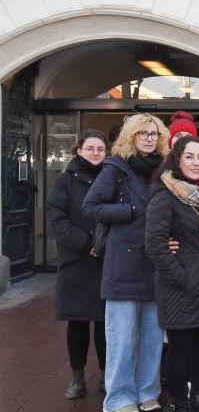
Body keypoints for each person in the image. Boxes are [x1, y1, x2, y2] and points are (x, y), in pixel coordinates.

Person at [82, 113, 169, 412]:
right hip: (123, 264)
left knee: (151, 338)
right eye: (143, 133)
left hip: (155, 263)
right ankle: (119, 399)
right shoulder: (115, 168)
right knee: (121, 340)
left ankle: (147, 393)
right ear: (130, 136)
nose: (148, 138)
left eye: (154, 133)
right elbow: (91, 207)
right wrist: (130, 209)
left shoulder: (163, 170)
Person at [146, 137, 199, 412]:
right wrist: (182, 278)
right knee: (180, 349)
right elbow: (155, 247)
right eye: (189, 157)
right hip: (180, 287)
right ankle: (179, 402)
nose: (196, 163)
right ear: (177, 159)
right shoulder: (163, 195)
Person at [48, 130, 109, 400]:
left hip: (107, 261)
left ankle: (107, 373)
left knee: (106, 323)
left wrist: (105, 244)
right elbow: (57, 219)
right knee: (78, 322)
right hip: (77, 261)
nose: (96, 153)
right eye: (90, 148)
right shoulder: (65, 181)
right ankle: (77, 375)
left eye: (100, 149)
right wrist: (87, 243)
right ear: (79, 151)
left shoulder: (111, 178)